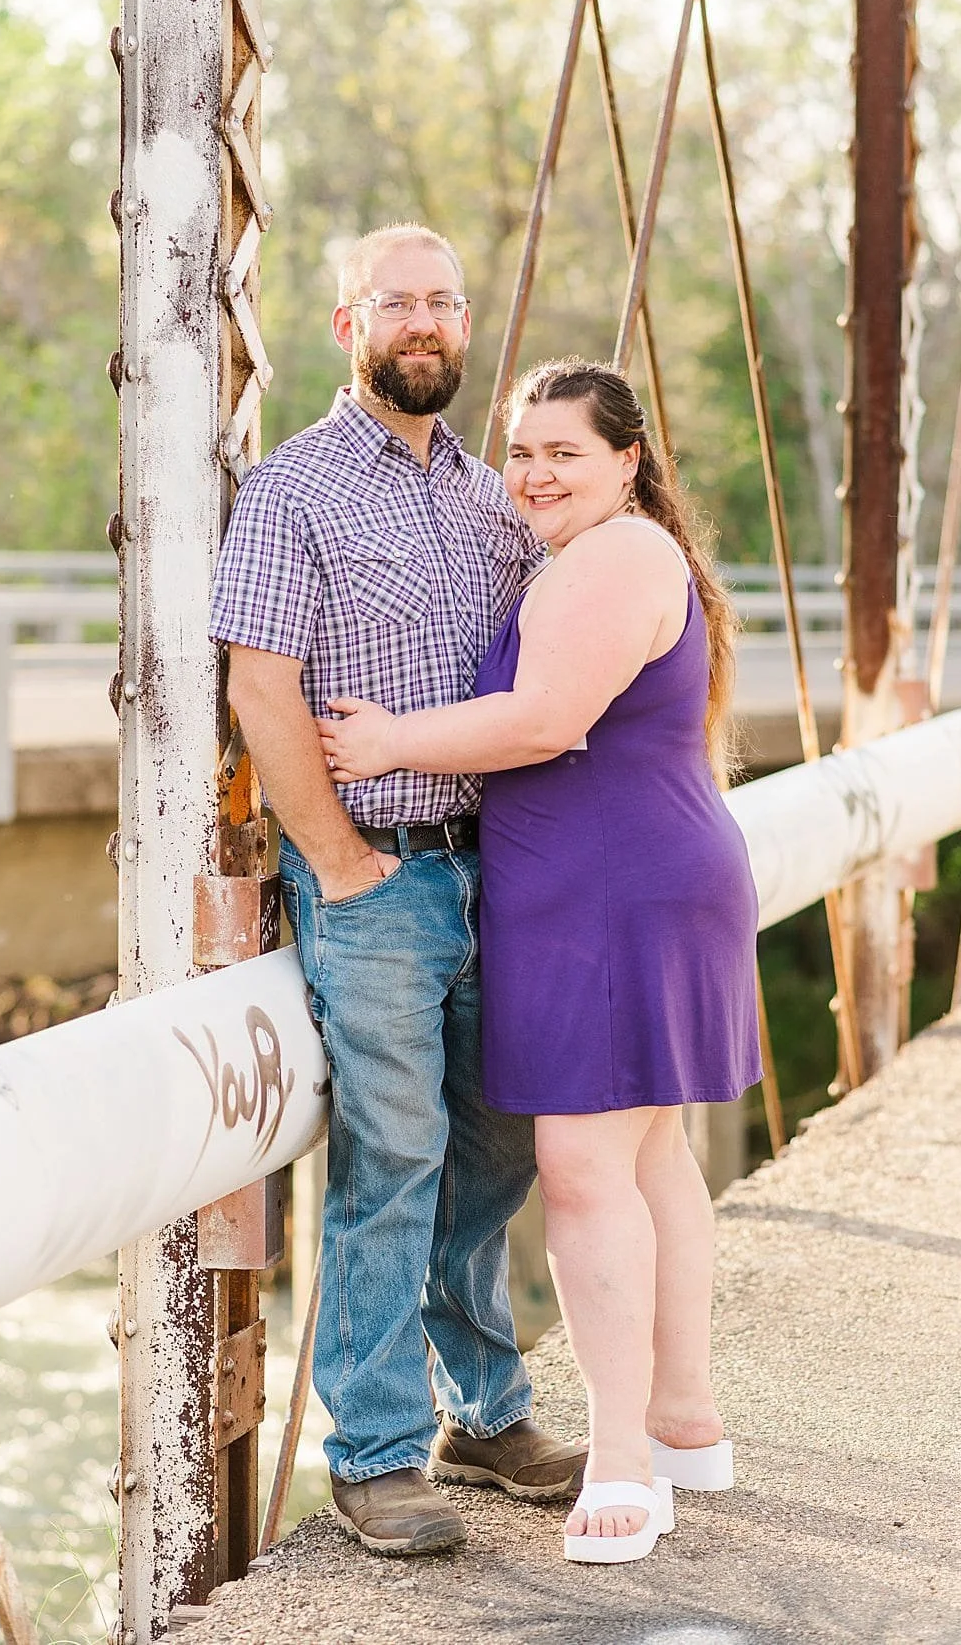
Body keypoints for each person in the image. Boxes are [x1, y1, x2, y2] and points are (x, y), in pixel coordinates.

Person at [320, 356, 760, 1565]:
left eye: (563, 450)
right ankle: (682, 1419)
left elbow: (546, 718)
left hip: (611, 893)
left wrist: (386, 739)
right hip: (630, 880)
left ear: (627, 460)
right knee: (647, 1148)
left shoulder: (616, 556)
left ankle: (624, 1463)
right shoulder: (608, 556)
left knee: (577, 1167)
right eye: (518, 450)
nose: (533, 473)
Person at [211, 224, 586, 1557]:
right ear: (345, 323)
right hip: (378, 880)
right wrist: (340, 865)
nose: (422, 322)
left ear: (465, 323)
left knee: (501, 1144)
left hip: (503, 878)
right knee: (395, 1155)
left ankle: (482, 1413)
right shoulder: (293, 491)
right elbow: (260, 687)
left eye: (442, 301)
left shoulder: (499, 497)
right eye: (395, 303)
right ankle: (373, 1451)